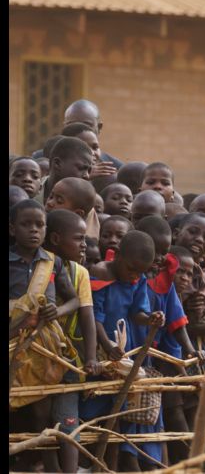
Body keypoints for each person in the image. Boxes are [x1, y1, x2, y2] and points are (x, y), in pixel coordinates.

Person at [83, 230, 165, 471]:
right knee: (91, 410)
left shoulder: (137, 279)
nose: (134, 276)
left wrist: (150, 318)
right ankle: (87, 463)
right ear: (117, 256)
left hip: (122, 351)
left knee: (117, 411)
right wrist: (107, 346)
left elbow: (136, 313)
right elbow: (93, 317)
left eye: (140, 272)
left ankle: (109, 466)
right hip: (98, 348)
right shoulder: (100, 274)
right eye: (131, 269)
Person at [9, 200, 80, 473]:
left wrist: (56, 310)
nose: (34, 231)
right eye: (26, 225)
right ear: (12, 229)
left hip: (44, 348)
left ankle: (51, 467)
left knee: (42, 411)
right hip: (14, 342)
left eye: (39, 225)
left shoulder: (52, 262)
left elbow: (73, 301)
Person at [134, 216, 205, 465]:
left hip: (157, 361)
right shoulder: (129, 276)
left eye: (163, 254)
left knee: (159, 418)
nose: (160, 259)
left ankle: (170, 466)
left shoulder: (165, 282)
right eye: (155, 252)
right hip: (130, 357)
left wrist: (189, 351)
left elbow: (177, 320)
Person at [43, 210, 103, 473]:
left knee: (67, 420)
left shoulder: (79, 272)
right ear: (56, 238)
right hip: (35, 356)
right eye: (79, 238)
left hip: (66, 359)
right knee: (38, 418)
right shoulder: (35, 265)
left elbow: (87, 315)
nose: (84, 245)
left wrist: (91, 357)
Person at [43, 137, 100, 239]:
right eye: (81, 168)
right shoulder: (29, 193)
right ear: (57, 164)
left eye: (89, 170)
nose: (87, 175)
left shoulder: (85, 206)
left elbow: (88, 245)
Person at [61, 99, 123, 167]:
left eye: (86, 125)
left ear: (99, 128)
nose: (79, 130)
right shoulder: (51, 163)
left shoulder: (116, 169)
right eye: (72, 125)